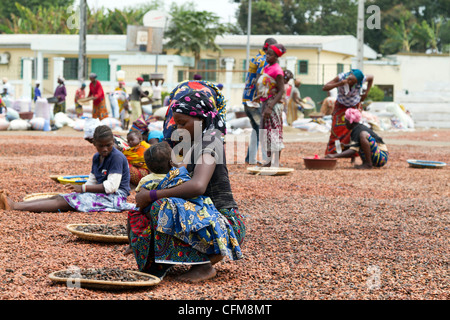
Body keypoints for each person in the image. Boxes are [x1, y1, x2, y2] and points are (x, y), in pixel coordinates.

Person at [132, 89, 245, 283]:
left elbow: (198, 186)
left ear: (201, 118)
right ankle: (166, 257)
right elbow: (177, 176)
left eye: (183, 123)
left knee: (162, 205)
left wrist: (152, 195)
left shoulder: (212, 141)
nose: (179, 128)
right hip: (204, 215)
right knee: (153, 204)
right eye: (177, 124)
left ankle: (204, 266)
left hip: (223, 221)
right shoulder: (196, 143)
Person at [0, 126, 135, 213]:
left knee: (65, 202)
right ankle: (18, 204)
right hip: (103, 195)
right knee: (60, 197)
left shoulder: (117, 157)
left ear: (113, 142)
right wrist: (82, 190)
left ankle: (14, 206)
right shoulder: (96, 157)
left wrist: (83, 190)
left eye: (109, 145)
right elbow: (92, 181)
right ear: (94, 144)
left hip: (115, 198)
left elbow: (111, 187)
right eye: (101, 146)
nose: (105, 149)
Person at [322, 69, 373, 156]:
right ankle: (333, 152)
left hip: (354, 105)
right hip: (341, 106)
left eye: (354, 82)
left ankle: (352, 153)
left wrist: (366, 93)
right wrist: (339, 84)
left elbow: (371, 77)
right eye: (350, 80)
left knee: (354, 129)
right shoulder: (341, 77)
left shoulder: (362, 78)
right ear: (349, 75)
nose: (351, 83)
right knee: (336, 129)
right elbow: (325, 87)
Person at [242, 37, 277, 165]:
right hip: (254, 101)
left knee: (257, 129)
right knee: (261, 129)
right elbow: (259, 80)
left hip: (247, 98)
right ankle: (265, 159)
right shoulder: (264, 61)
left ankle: (250, 158)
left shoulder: (256, 58)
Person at [253, 43, 287, 168]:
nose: (267, 56)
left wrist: (270, 106)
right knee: (266, 134)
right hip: (266, 104)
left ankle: (276, 162)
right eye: (266, 53)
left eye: (270, 54)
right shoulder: (267, 67)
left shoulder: (277, 71)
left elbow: (281, 90)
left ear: (276, 56)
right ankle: (267, 162)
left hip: (273, 106)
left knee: (274, 133)